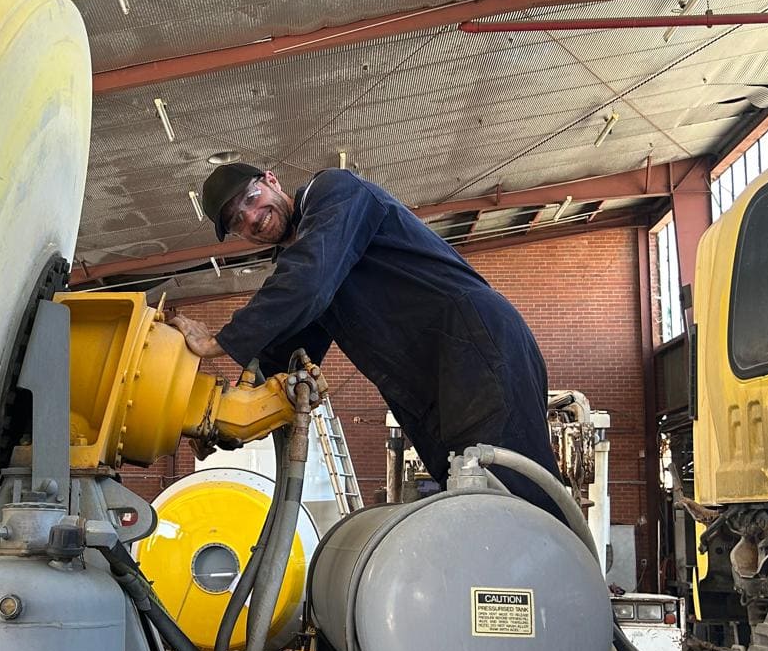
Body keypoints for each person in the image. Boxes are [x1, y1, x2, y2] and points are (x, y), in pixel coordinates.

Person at [167, 163, 566, 518]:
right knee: (473, 504)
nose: (253, 218)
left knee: (513, 492)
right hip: (426, 389)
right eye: (238, 221)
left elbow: (310, 278)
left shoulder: (334, 191)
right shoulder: (305, 269)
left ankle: (565, 578)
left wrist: (219, 342)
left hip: (473, 347)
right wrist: (219, 424)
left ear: (272, 180)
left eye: (252, 199)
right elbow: (277, 362)